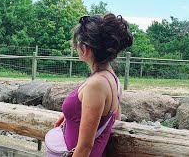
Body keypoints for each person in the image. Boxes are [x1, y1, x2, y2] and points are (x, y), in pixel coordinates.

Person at [54, 13, 133, 157]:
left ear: (85, 49)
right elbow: (114, 119)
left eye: (77, 43)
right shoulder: (112, 78)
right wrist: (71, 115)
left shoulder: (96, 84)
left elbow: (85, 147)